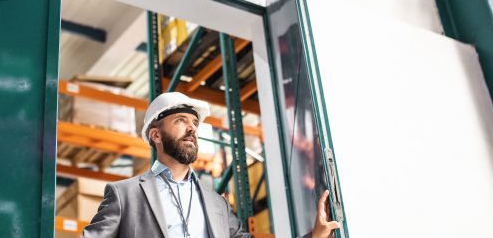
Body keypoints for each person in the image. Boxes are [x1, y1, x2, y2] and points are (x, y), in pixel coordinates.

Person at [82, 92, 341, 238]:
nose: (192, 129)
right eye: (181, 120)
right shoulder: (125, 194)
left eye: (194, 124)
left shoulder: (216, 203)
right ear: (156, 135)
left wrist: (315, 235)